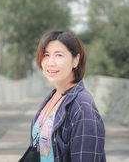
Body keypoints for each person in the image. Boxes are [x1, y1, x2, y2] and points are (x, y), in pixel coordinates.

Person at [31, 30, 106, 162]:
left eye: (59, 55)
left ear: (75, 60)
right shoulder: (53, 96)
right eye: (46, 55)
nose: (50, 62)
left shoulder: (82, 106)